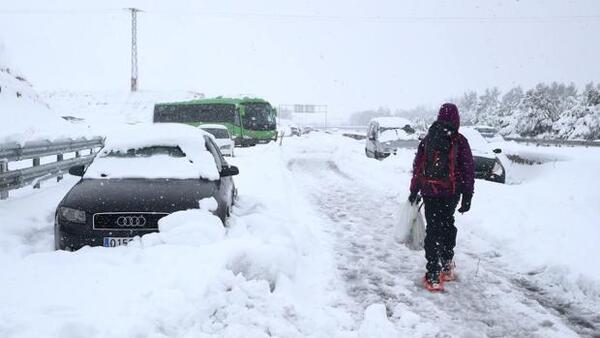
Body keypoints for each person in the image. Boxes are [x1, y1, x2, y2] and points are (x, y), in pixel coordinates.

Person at [408, 103, 475, 292]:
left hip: (430, 192)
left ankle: (433, 274)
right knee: (447, 224)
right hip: (451, 193)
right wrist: (467, 195)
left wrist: (414, 190)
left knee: (433, 229)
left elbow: (418, 167)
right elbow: (468, 170)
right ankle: (446, 265)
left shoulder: (428, 140)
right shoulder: (460, 141)